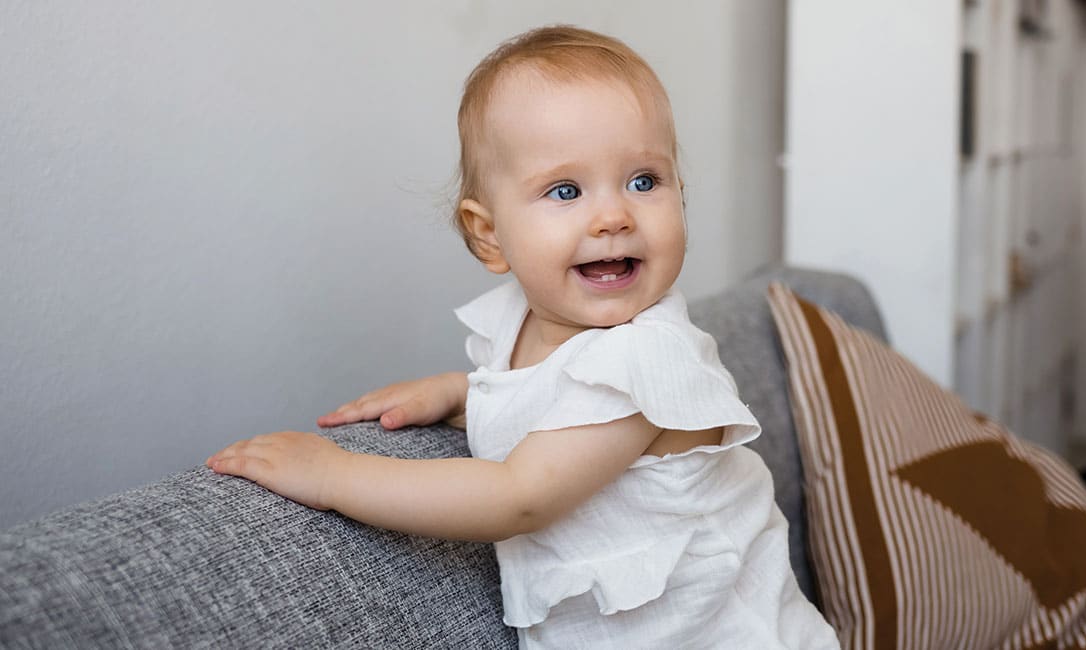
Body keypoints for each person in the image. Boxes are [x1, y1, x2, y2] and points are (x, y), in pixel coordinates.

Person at [207, 25, 837, 649]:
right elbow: (543, 404)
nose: (615, 215)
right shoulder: (519, 325)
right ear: (488, 235)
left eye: (644, 181)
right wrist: (461, 394)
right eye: (565, 190)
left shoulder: (647, 356)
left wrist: (333, 476)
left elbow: (520, 497)